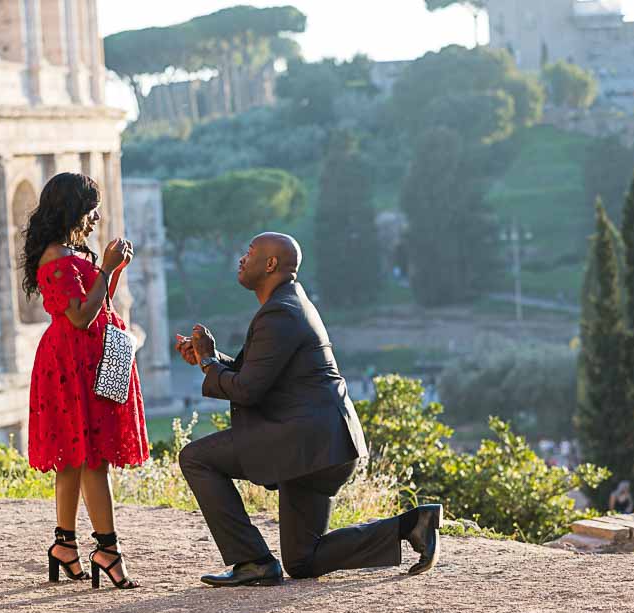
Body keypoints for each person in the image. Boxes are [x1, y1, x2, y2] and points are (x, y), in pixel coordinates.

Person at [175, 232, 442, 587]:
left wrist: (210, 361)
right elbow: (259, 374)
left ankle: (251, 560)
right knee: (304, 559)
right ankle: (412, 526)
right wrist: (211, 361)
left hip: (307, 443)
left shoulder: (280, 313)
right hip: (324, 447)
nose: (241, 259)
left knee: (196, 458)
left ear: (270, 264)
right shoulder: (288, 304)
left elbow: (249, 390)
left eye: (249, 253)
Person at [20, 172, 148, 590]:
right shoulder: (55, 259)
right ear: (73, 210)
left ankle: (64, 545)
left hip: (89, 358)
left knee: (75, 458)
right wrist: (107, 268)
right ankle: (107, 549)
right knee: (92, 458)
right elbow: (79, 316)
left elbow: (96, 303)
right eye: (90, 209)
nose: (96, 217)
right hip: (71, 363)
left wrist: (112, 270)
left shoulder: (70, 252)